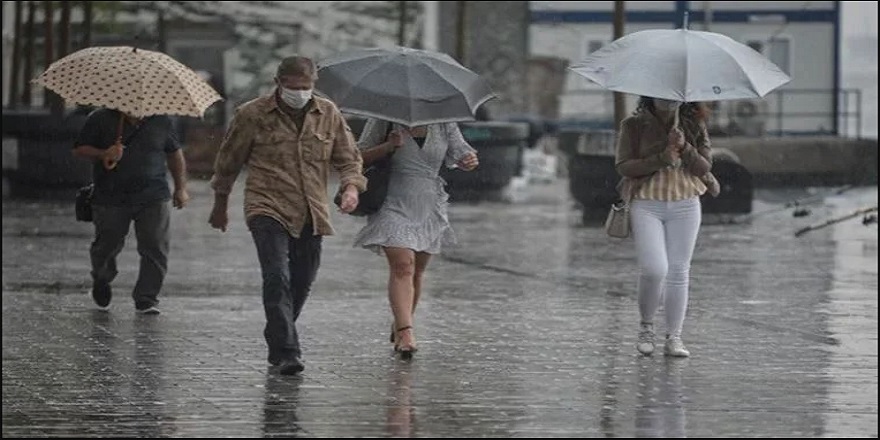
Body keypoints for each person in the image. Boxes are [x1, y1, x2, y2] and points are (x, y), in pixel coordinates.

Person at [208, 56, 366, 375]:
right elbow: (229, 161)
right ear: (278, 83)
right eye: (293, 87)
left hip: (312, 208)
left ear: (314, 84)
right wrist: (220, 204)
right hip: (266, 204)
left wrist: (351, 188)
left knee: (303, 279)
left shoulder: (328, 113)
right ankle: (287, 352)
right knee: (276, 274)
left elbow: (349, 159)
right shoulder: (252, 114)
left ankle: (278, 330)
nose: (300, 93)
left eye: (306, 87)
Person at [352, 118, 480, 359]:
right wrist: (387, 147)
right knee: (403, 266)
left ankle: (401, 322)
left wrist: (469, 160)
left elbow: (462, 153)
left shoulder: (444, 122)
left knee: (417, 271)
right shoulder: (383, 119)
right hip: (392, 202)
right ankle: (406, 331)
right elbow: (356, 158)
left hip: (428, 204)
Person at [614, 96, 717, 358]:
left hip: (686, 202)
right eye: (662, 97)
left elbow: (705, 166)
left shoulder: (693, 123)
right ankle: (646, 326)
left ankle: (674, 336)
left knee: (679, 271)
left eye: (673, 98)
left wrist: (685, 148)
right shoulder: (633, 125)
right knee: (654, 268)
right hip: (647, 202)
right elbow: (624, 166)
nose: (667, 101)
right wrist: (663, 156)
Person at [73, 108, 189, 315]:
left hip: (154, 195)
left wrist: (180, 188)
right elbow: (79, 149)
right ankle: (102, 278)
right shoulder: (100, 118)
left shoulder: (161, 120)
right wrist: (104, 153)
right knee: (107, 244)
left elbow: (174, 153)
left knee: (155, 246)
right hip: (110, 196)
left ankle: (146, 298)